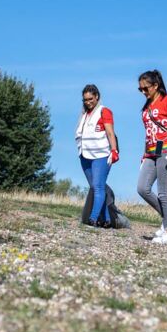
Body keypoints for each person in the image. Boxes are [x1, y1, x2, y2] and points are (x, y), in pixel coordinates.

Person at [136, 70, 167, 245]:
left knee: (164, 191)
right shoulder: (147, 106)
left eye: (146, 88)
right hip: (151, 151)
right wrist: (144, 154)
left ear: (156, 85)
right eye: (140, 89)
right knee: (142, 188)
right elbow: (148, 132)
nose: (143, 92)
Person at [75, 84, 119, 227]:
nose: (88, 102)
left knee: (98, 187)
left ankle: (93, 219)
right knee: (94, 187)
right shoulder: (84, 115)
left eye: (91, 99)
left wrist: (114, 150)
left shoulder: (104, 111)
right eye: (85, 100)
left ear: (97, 97)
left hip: (101, 155)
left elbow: (110, 133)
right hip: (85, 155)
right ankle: (106, 220)